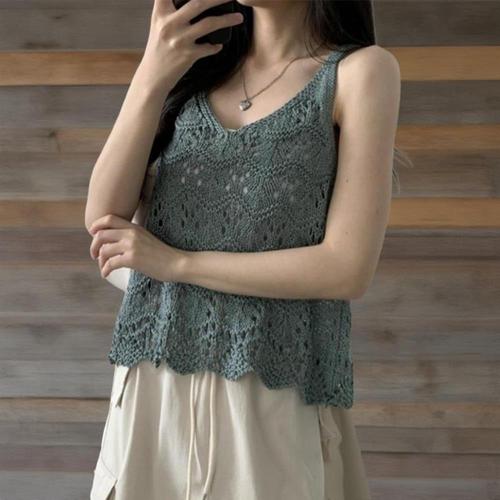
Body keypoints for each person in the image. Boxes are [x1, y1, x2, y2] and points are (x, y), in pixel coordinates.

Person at [85, 0, 401, 498]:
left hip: (268, 391)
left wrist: (178, 264)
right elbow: (104, 222)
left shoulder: (359, 73)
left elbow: (346, 267)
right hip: (151, 389)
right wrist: (151, 74)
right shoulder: (192, 70)